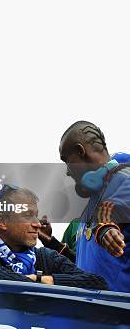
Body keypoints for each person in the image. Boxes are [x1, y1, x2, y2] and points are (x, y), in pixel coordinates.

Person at [0, 185, 107, 290]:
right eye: (27, 216)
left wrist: (43, 279)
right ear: (2, 221)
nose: (37, 224)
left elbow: (96, 283)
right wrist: (46, 281)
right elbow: (3, 282)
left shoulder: (46, 257)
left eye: (36, 215)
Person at [59, 121, 129, 292]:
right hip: (93, 313)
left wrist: (105, 229)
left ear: (81, 151)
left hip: (118, 315)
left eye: (67, 161)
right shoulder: (94, 199)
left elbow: (113, 211)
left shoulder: (124, 179)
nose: (68, 172)